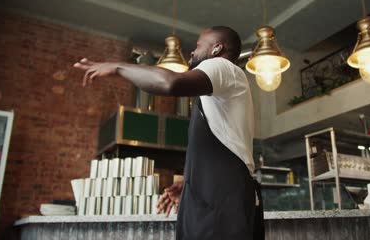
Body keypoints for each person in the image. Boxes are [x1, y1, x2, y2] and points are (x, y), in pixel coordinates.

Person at [73, 26, 263, 239]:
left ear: (217, 48)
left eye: (199, 45)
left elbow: (170, 83)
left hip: (224, 200)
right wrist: (191, 184)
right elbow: (225, 143)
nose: (192, 51)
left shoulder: (222, 66)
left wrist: (117, 67)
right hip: (217, 197)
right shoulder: (218, 91)